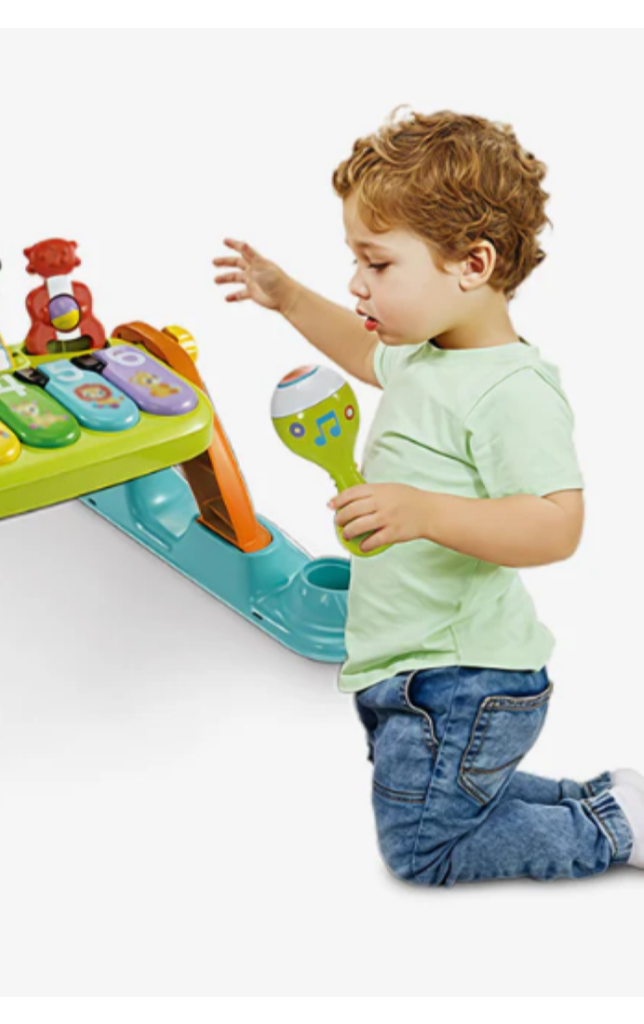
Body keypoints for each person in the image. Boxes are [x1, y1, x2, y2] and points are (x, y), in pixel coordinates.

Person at [213, 106, 644, 885]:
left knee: (423, 849)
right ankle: (601, 797)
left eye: (377, 264)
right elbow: (360, 349)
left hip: (461, 680)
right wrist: (287, 296)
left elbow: (558, 525)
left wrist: (423, 511)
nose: (357, 282)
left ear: (472, 265)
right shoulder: (425, 355)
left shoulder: (511, 391)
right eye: (355, 261)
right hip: (419, 671)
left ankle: (612, 829)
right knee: (449, 801)